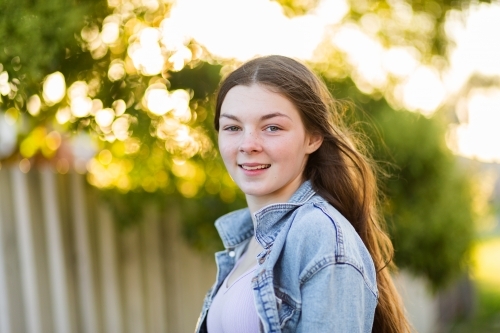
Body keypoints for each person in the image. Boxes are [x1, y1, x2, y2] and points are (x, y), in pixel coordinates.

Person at [195, 55, 410, 333]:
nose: (248, 145)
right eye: (233, 127)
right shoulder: (248, 241)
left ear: (313, 137)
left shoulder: (319, 234)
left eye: (272, 127)